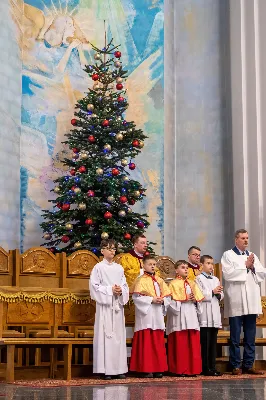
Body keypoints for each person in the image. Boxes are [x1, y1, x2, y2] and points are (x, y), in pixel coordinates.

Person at [221, 229, 266, 375]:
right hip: (237, 300)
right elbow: (228, 274)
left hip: (251, 300)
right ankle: (235, 365)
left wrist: (252, 266)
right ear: (236, 240)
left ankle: (248, 364)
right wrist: (245, 266)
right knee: (235, 335)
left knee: (250, 335)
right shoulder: (228, 255)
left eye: (247, 238)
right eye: (243, 238)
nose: (246, 240)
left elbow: (262, 273)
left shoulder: (252, 255)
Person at [89, 239, 129, 380]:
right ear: (102, 251)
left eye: (114, 248)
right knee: (106, 335)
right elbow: (94, 287)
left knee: (118, 337)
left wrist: (120, 291)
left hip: (116, 306)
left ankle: (119, 369)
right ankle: (105, 370)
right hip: (105, 307)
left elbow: (125, 286)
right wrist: (110, 289)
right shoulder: (98, 268)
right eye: (109, 248)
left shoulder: (119, 268)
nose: (112, 251)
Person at [129, 255, 171, 378]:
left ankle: (158, 368)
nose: (152, 266)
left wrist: (163, 301)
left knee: (157, 340)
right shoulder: (140, 280)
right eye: (150, 264)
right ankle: (145, 368)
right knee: (146, 341)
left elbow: (168, 296)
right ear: (143, 265)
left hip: (157, 314)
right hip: (146, 315)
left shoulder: (159, 280)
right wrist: (151, 299)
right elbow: (136, 297)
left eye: (154, 264)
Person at [167, 260, 204, 376]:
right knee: (180, 345)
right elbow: (169, 302)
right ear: (176, 270)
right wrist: (183, 299)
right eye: (183, 267)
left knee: (192, 343)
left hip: (191, 315)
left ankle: (193, 369)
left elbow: (199, 302)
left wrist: (194, 300)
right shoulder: (172, 284)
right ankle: (179, 369)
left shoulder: (193, 283)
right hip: (179, 316)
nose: (186, 269)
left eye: (187, 267)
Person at [196, 255, 223, 376]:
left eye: (212, 263)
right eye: (208, 263)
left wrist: (219, 294)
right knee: (205, 343)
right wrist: (212, 292)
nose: (211, 266)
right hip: (205, 314)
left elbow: (221, 295)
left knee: (213, 343)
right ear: (201, 265)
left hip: (214, 313)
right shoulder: (198, 279)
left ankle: (213, 366)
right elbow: (200, 295)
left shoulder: (216, 279)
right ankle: (205, 367)